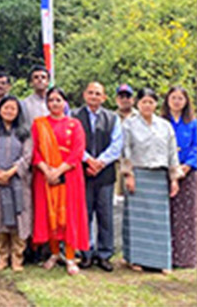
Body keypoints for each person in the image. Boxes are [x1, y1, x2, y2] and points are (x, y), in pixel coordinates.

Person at [119, 88, 181, 274]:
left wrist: (174, 179)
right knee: (137, 220)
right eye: (144, 102)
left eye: (151, 102)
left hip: (159, 177)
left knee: (159, 220)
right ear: (138, 104)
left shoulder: (165, 125)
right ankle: (135, 259)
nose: (147, 105)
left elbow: (172, 153)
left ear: (156, 104)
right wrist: (128, 175)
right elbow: (125, 150)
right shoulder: (129, 125)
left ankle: (161, 260)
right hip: (138, 174)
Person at [31, 88, 88, 276]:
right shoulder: (39, 124)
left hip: (69, 175)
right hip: (45, 175)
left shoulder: (75, 124)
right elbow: (34, 150)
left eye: (58, 100)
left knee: (69, 214)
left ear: (65, 102)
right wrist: (47, 170)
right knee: (50, 213)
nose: (55, 103)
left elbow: (77, 152)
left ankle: (70, 257)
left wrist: (59, 170)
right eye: (51, 100)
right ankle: (54, 253)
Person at [73, 82, 123, 272]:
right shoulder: (75, 116)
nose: (94, 96)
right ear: (85, 95)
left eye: (98, 94)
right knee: (84, 214)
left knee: (105, 215)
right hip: (82, 173)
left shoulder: (112, 118)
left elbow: (117, 145)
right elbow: (73, 143)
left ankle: (104, 254)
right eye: (91, 93)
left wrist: (99, 162)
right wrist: (87, 160)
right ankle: (85, 252)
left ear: (104, 98)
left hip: (105, 174)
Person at [0, 96, 32, 272]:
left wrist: (11, 172)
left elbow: (27, 156)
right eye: (6, 108)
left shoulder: (24, 132)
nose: (9, 111)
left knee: (19, 220)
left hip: (18, 182)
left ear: (18, 112)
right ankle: (2, 258)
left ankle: (17, 259)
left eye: (13, 108)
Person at [162, 86, 197, 269]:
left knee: (186, 215)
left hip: (187, 172)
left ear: (186, 102)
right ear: (167, 100)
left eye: (180, 98)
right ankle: (164, 255)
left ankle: (184, 257)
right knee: (166, 213)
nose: (176, 101)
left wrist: (187, 165)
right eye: (173, 97)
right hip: (165, 172)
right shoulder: (161, 121)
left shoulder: (193, 123)